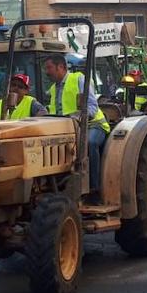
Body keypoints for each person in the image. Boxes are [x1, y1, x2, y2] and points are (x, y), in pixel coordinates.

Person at [43, 53, 110, 191]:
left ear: (61, 67)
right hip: (68, 129)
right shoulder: (53, 89)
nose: (46, 72)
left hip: (93, 125)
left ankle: (94, 189)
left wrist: (76, 118)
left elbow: (92, 107)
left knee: (89, 143)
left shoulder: (79, 79)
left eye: (49, 68)